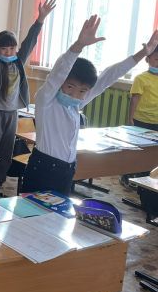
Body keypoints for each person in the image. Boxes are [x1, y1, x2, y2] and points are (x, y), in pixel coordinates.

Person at [21, 15, 158, 195]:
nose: (75, 94)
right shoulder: (46, 101)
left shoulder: (76, 104)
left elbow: (108, 76)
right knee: (32, 211)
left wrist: (142, 54)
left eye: (82, 90)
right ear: (61, 83)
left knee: (58, 212)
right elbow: (59, 72)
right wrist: (78, 45)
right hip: (43, 169)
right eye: (70, 87)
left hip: (66, 171)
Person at [0, 0, 56, 196]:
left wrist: (40, 19)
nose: (8, 52)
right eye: (4, 49)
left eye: (11, 48)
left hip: (12, 114)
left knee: (6, 152)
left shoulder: (18, 61)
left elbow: (29, 42)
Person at [120, 45, 158, 187]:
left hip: (156, 121)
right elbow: (134, 99)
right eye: (156, 59)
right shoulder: (141, 78)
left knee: (152, 153)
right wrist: (130, 118)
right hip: (140, 120)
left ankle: (145, 179)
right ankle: (126, 176)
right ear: (147, 59)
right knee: (135, 151)